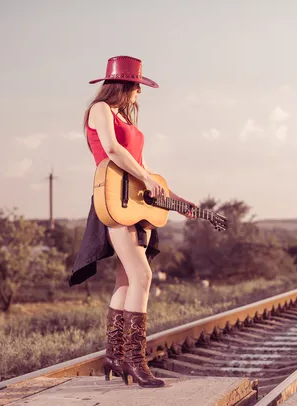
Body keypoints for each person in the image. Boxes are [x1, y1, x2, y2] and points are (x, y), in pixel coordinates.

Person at [68, 55, 195, 388]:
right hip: (114, 199)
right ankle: (135, 362)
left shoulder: (123, 116)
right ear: (125, 85)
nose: (140, 93)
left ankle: (115, 355)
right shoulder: (101, 111)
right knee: (143, 274)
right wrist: (142, 175)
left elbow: (141, 164)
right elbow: (111, 150)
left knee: (126, 281)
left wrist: (174, 198)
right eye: (138, 86)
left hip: (132, 200)